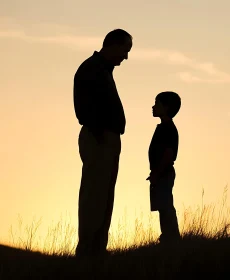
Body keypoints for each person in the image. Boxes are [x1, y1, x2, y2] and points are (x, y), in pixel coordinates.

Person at [73, 29, 133, 257]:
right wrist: (100, 135)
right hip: (99, 139)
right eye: (125, 50)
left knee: (104, 196)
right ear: (114, 45)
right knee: (94, 196)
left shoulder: (101, 69)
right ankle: (87, 251)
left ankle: (96, 251)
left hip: (106, 139)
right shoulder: (92, 69)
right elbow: (85, 109)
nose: (125, 57)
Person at [146, 91, 181, 244]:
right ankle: (168, 236)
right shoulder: (164, 127)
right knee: (163, 205)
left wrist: (157, 173)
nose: (153, 107)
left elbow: (168, 154)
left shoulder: (168, 129)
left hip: (164, 173)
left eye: (157, 104)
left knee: (165, 205)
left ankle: (171, 236)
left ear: (166, 107)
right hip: (161, 172)